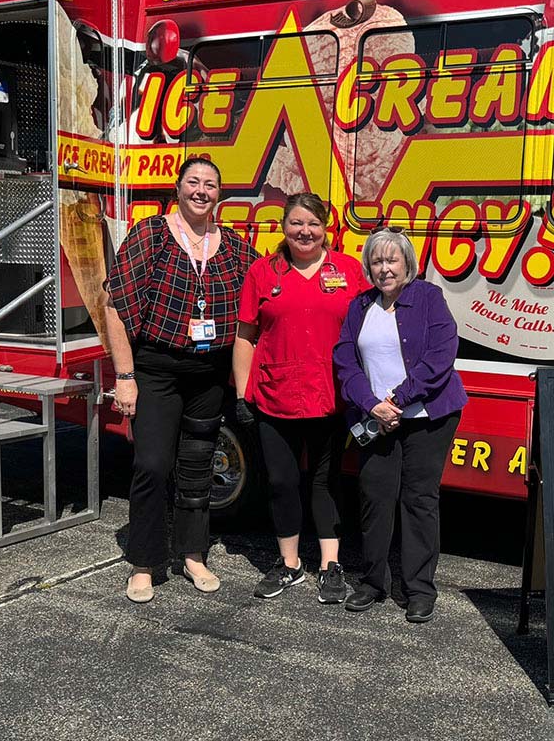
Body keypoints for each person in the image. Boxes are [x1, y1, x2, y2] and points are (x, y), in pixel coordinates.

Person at [104, 157, 259, 603]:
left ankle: (193, 554)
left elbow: (265, 289)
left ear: (219, 194)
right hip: (156, 370)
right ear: (179, 187)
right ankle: (144, 562)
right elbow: (116, 305)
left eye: (211, 184)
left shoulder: (231, 244)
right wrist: (126, 375)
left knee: (196, 469)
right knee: (151, 465)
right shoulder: (151, 234)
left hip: (209, 374)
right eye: (194, 181)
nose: (202, 190)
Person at [233, 193, 368, 604]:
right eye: (296, 223)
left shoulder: (347, 270)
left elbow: (368, 332)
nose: (304, 231)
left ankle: (330, 566)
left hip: (331, 397)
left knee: (327, 482)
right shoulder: (263, 271)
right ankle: (289, 564)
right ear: (283, 227)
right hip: (275, 396)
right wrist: (242, 393)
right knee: (282, 481)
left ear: (326, 227)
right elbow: (245, 337)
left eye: (312, 223)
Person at [333, 227, 468, 622]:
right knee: (375, 497)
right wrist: (373, 404)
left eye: (392, 260)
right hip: (377, 420)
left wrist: (398, 400)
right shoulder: (360, 306)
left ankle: (419, 589)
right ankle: (375, 581)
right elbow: (345, 360)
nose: (384, 268)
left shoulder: (428, 297)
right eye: (376, 261)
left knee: (419, 500)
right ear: (368, 267)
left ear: (407, 263)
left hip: (428, 418)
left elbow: (442, 354)